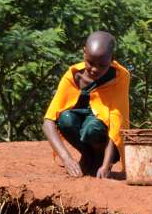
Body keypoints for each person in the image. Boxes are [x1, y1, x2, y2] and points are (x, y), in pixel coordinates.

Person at [42, 31, 130, 178]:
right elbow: (48, 121)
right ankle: (88, 156)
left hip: (102, 134)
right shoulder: (73, 76)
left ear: (112, 59)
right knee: (66, 118)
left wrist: (107, 164)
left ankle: (99, 158)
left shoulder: (119, 77)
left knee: (92, 128)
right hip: (81, 127)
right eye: (90, 63)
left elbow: (116, 124)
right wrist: (67, 159)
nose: (95, 69)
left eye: (102, 65)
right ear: (84, 53)